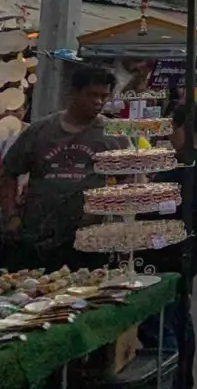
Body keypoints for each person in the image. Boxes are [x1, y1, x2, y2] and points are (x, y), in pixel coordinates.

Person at [2, 66, 125, 272]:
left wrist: (105, 210)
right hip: (36, 237)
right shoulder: (40, 131)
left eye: (104, 96)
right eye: (92, 95)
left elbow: (129, 181)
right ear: (74, 93)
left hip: (87, 241)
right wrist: (11, 216)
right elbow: (8, 172)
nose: (98, 102)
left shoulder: (113, 136)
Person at [140, 101, 197, 389]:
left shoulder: (189, 166)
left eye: (172, 128)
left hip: (170, 249)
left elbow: (175, 206)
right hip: (186, 246)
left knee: (164, 321)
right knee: (179, 316)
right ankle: (182, 387)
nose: (169, 135)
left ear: (184, 128)